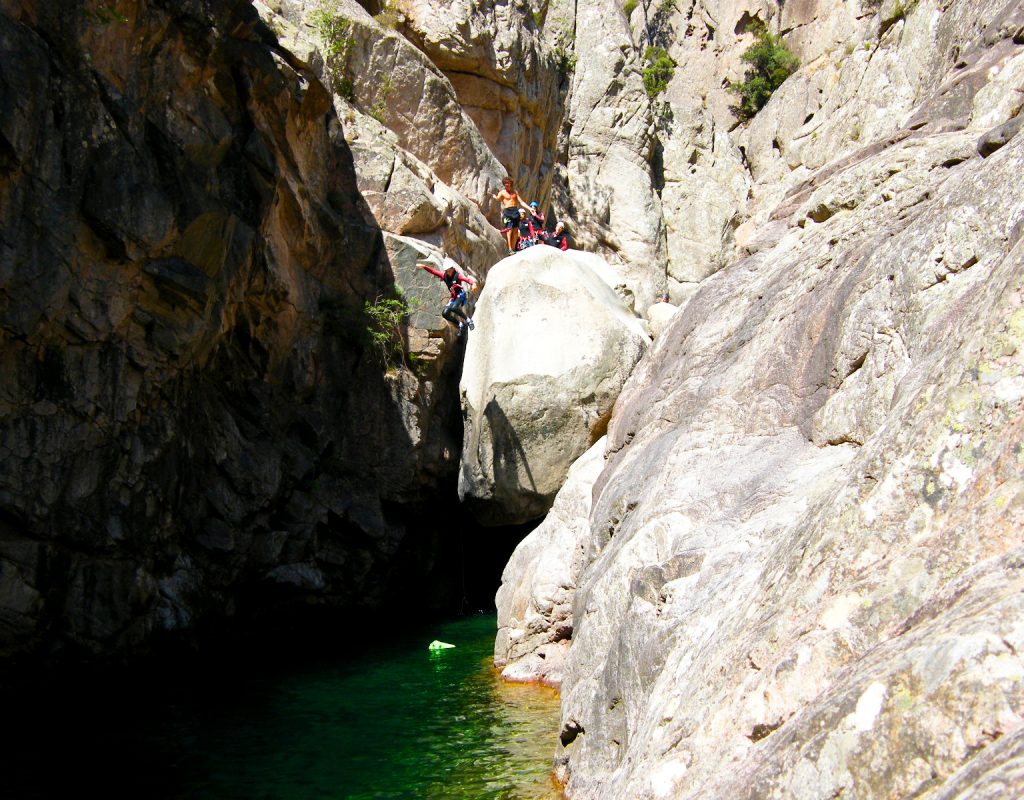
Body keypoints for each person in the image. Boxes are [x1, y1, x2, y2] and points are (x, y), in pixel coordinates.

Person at [418, 258, 477, 335]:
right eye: (446, 271)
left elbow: (467, 280)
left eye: (448, 270)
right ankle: (460, 324)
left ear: (452, 269)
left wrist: (473, 284)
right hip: (453, 297)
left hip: (461, 295)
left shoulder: (458, 276)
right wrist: (424, 266)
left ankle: (468, 320)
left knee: (454, 308)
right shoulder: (444, 276)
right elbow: (433, 271)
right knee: (445, 313)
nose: (447, 272)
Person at [492, 177, 533, 254]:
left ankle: (513, 248)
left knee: (515, 231)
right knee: (509, 229)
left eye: (508, 184)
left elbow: (521, 202)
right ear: (504, 184)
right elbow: (498, 198)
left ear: (511, 184)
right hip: (507, 212)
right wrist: (495, 197)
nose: (507, 185)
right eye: (506, 184)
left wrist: (529, 208)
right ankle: (510, 248)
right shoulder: (502, 193)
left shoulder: (515, 192)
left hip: (515, 211)